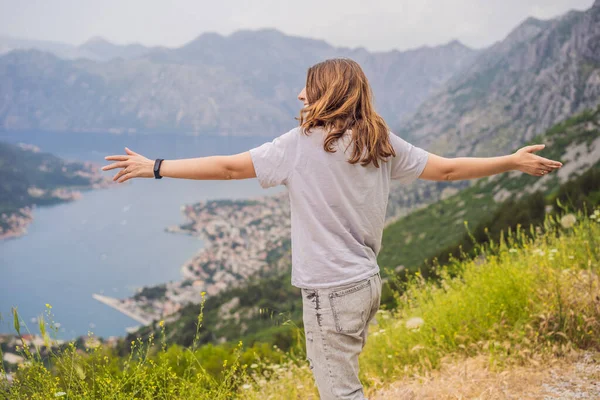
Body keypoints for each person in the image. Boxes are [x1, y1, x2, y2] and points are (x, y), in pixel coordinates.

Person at [102, 58, 563, 399]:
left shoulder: (301, 145)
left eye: (306, 89)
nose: (300, 97)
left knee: (339, 393)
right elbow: (447, 171)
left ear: (325, 92)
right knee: (344, 383)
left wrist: (156, 167)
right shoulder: (379, 141)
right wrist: (510, 161)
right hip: (365, 284)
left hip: (330, 292)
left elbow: (227, 168)